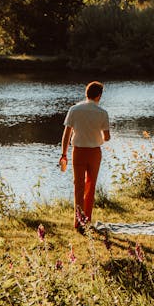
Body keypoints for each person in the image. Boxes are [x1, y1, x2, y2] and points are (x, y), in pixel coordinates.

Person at [59, 80, 111, 229]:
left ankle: (78, 222)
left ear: (86, 94)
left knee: (79, 187)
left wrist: (64, 154)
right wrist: (97, 134)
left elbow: (66, 134)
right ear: (99, 96)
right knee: (90, 186)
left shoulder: (74, 110)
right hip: (94, 152)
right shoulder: (103, 113)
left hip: (78, 151)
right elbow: (107, 137)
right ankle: (86, 221)